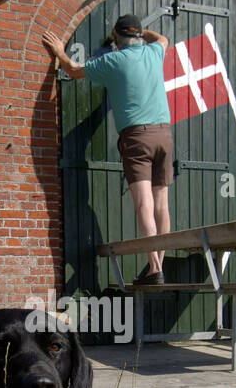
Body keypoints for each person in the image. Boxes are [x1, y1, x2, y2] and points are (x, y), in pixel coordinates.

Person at [44, 14, 172, 286]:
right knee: (162, 203)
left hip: (137, 137)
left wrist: (59, 52)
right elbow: (162, 38)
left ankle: (154, 268)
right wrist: (141, 32)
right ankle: (157, 265)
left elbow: (73, 70)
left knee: (144, 204)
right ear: (137, 36)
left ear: (115, 36)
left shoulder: (113, 60)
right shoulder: (154, 51)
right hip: (164, 133)